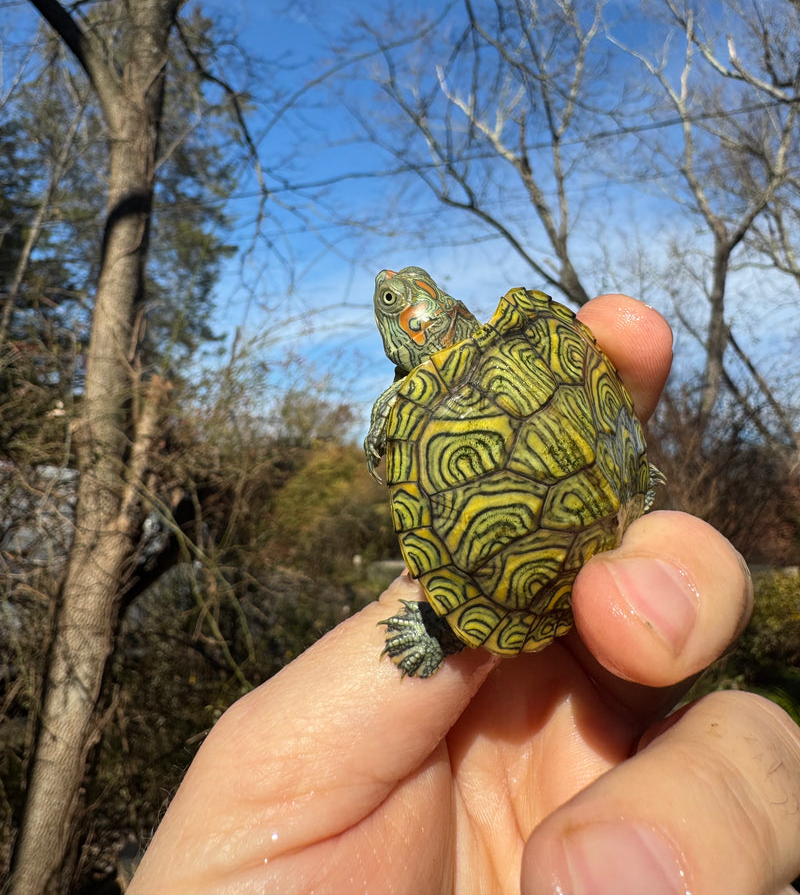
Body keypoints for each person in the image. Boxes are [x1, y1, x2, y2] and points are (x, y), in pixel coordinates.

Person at [128, 295, 800, 895]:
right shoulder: (511, 341)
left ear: (430, 323)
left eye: (399, 300)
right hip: (611, 517)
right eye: (395, 301)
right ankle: (452, 626)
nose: (392, 296)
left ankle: (448, 626)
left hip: (585, 543)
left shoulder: (422, 400)